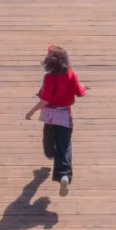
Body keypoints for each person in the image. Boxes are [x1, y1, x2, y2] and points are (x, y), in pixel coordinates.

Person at [24, 45, 86, 196]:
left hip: (50, 117)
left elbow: (45, 100)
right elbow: (80, 93)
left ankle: (50, 154)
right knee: (65, 146)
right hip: (65, 115)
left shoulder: (49, 77)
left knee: (49, 141)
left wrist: (31, 111)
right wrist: (83, 88)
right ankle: (64, 175)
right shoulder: (72, 75)